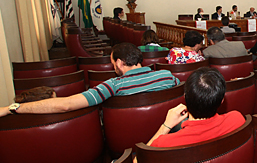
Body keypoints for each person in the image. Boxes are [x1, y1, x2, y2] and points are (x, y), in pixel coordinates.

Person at [1, 43, 180, 117]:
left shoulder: (112, 86)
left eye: (112, 63)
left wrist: (14, 107)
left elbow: (66, 105)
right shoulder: (167, 76)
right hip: (166, 133)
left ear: (119, 62)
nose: (113, 67)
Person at [146, 68, 245, 148]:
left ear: (185, 97)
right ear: (222, 100)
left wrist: (166, 126)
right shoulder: (237, 119)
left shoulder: (164, 143)